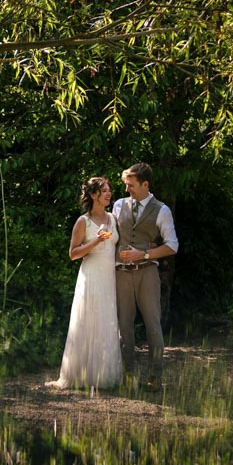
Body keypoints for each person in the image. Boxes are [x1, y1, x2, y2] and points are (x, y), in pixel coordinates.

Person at [48, 177, 123, 390]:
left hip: (109, 277)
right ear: (93, 195)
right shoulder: (83, 221)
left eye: (109, 190)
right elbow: (73, 254)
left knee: (106, 321)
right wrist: (96, 241)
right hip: (91, 277)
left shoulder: (112, 218)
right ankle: (79, 374)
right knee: (88, 320)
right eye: (104, 191)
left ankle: (103, 375)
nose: (109, 194)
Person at [112, 163, 179, 388]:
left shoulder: (162, 210)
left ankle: (155, 377)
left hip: (148, 273)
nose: (127, 189)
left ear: (145, 184)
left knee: (153, 324)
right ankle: (128, 375)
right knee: (124, 325)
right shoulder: (119, 205)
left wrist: (144, 253)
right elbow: (112, 237)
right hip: (121, 273)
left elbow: (172, 246)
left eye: (131, 185)